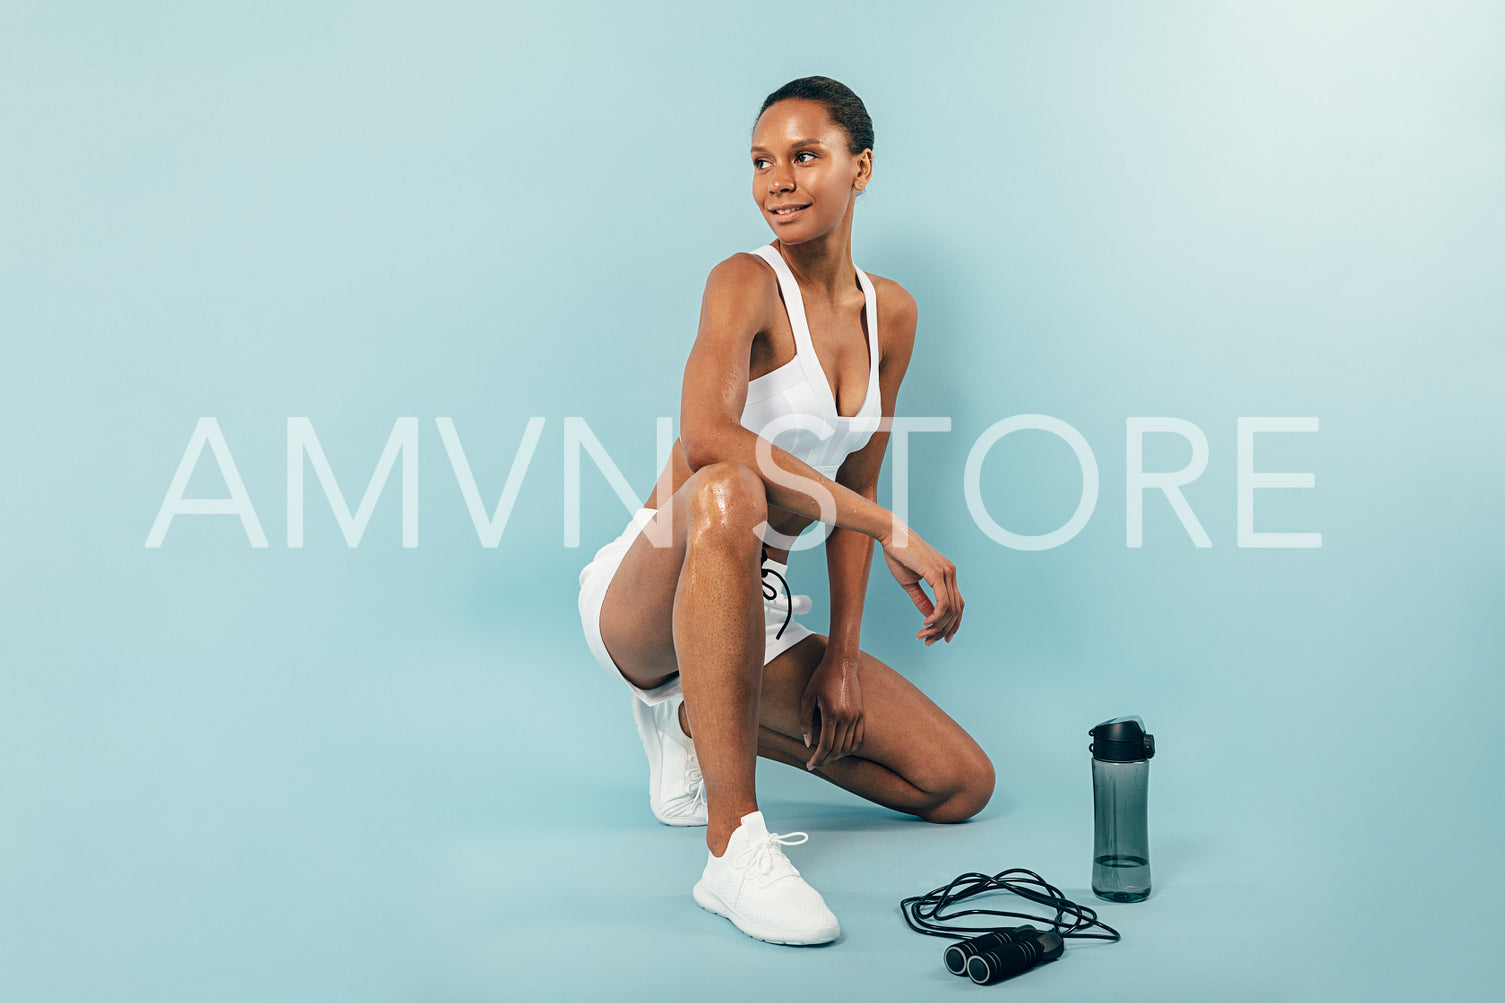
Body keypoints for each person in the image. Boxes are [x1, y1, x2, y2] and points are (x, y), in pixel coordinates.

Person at [577, 76, 994, 946]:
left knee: (959, 783)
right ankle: (733, 849)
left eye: (806, 156)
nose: (779, 180)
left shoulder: (892, 314)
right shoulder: (743, 282)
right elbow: (704, 438)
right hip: (650, 584)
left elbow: (861, 486)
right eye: (763, 162)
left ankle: (700, 719)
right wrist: (888, 533)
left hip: (750, 605)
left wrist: (842, 654)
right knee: (730, 486)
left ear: (861, 167)